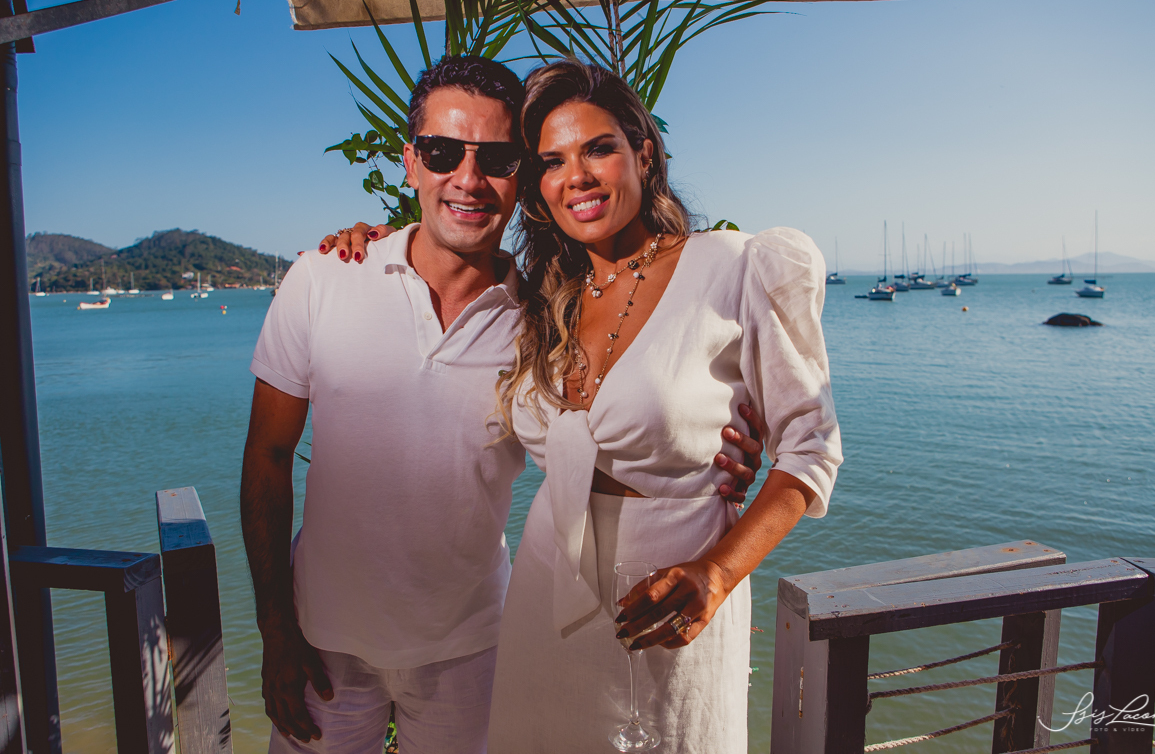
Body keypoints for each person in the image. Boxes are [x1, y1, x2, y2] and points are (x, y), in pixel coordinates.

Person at [242, 55, 765, 754]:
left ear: (523, 178)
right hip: (320, 642)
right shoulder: (324, 279)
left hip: (477, 652)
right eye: (442, 152)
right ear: (410, 162)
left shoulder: (547, 317)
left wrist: (714, 459)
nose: (468, 178)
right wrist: (275, 628)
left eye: (496, 158)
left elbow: (619, 434)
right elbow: (267, 455)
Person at [483, 60, 842, 752]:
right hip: (543, 592)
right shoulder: (539, 300)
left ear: (644, 154)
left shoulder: (733, 266)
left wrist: (719, 572)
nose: (576, 176)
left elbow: (810, 450)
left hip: (674, 601)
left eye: (598, 148)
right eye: (553, 162)